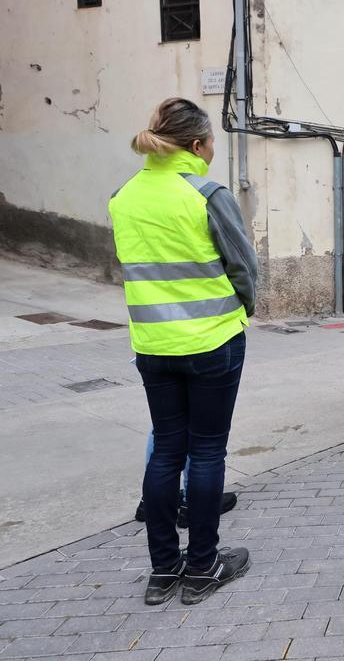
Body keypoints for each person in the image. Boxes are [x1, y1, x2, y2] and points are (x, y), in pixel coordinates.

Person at [109, 98, 256, 606]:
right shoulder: (207, 194)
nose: (213, 150)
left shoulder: (123, 197)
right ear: (196, 145)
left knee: (167, 451)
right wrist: (245, 307)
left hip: (152, 344)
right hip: (213, 339)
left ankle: (163, 570)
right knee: (207, 450)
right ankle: (202, 568)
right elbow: (244, 266)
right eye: (211, 142)